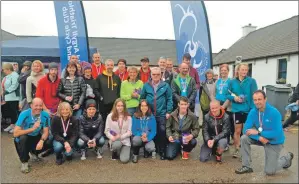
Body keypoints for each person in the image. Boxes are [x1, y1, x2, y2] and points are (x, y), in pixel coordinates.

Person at [235, 90, 294, 175]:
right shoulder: (253, 112)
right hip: (261, 138)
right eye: (255, 100)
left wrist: (259, 133)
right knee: (244, 138)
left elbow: (276, 133)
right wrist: (259, 137)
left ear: (265, 99)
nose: (257, 102)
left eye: (259, 99)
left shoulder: (274, 112)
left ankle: (287, 158)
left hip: (273, 142)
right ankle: (246, 166)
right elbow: (246, 130)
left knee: (269, 171)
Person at [140, 67, 173, 160]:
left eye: (158, 74)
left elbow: (170, 99)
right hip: (149, 114)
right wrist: (144, 111)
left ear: (161, 75)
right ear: (151, 75)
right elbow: (142, 98)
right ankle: (148, 150)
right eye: (154, 74)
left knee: (162, 131)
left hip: (161, 113)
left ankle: (162, 150)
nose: (155, 76)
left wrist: (168, 111)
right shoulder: (146, 85)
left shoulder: (165, 85)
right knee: (148, 131)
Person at [227, 63, 258, 158]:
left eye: (246, 70)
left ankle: (245, 152)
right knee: (237, 131)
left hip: (248, 110)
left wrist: (253, 109)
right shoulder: (232, 82)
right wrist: (234, 99)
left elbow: (255, 95)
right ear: (238, 70)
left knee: (246, 131)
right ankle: (237, 149)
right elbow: (226, 94)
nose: (244, 71)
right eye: (242, 69)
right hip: (237, 110)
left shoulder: (251, 81)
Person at [13, 98, 50, 173]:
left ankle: (34, 153)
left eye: (40, 105)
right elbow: (15, 133)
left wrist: (41, 141)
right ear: (31, 105)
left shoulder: (45, 115)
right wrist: (32, 129)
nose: (38, 108)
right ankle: (24, 162)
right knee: (23, 139)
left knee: (50, 140)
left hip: (36, 136)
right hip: (24, 136)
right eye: (36, 105)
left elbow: (46, 132)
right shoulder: (24, 114)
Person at [104, 98, 132, 163]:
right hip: (115, 140)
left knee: (124, 160)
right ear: (115, 106)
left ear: (124, 107)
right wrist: (112, 138)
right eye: (118, 106)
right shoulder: (110, 116)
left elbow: (129, 132)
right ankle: (115, 151)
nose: (120, 107)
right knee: (117, 145)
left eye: (122, 106)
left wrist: (121, 137)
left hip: (125, 140)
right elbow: (106, 131)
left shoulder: (129, 117)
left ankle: (125, 150)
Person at [215, 64, 233, 147]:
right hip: (218, 104)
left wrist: (224, 106)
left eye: (225, 70)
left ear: (228, 71)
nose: (223, 72)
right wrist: (216, 104)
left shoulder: (230, 81)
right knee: (220, 124)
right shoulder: (217, 81)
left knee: (227, 124)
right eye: (222, 70)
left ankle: (227, 143)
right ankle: (220, 141)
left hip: (227, 105)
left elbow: (231, 95)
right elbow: (214, 93)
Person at [2, 63, 20, 134]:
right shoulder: (6, 76)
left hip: (14, 98)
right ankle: (12, 125)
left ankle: (16, 126)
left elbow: (14, 85)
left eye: (4, 69)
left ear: (8, 69)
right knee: (11, 113)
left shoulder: (15, 75)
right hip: (7, 98)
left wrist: (6, 91)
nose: (3, 71)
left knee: (14, 113)